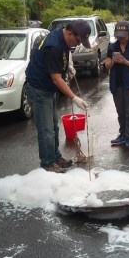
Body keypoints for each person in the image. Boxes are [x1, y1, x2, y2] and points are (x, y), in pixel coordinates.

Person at [25, 19, 91, 173]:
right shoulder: (54, 46)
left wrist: (67, 66)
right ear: (69, 33)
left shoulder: (62, 38)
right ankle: (47, 163)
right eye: (77, 40)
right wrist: (74, 98)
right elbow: (56, 78)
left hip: (48, 89)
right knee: (46, 130)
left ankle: (55, 157)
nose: (77, 44)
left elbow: (60, 65)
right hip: (39, 89)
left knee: (53, 127)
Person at [105, 21, 129, 151]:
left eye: (123, 35)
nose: (120, 38)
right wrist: (114, 62)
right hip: (117, 83)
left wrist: (125, 61)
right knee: (120, 112)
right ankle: (122, 135)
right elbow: (107, 64)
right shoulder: (112, 46)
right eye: (118, 35)